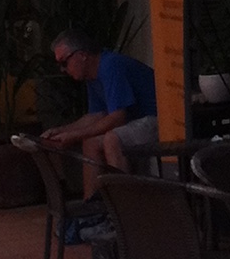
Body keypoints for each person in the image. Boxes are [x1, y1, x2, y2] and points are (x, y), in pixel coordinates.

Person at [43, 29, 159, 173]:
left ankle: (122, 187)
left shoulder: (110, 66)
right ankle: (95, 189)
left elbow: (118, 118)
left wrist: (74, 135)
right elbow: (96, 115)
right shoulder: (92, 75)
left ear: (82, 55)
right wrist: (61, 131)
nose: (62, 69)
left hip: (158, 119)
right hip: (137, 121)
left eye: (64, 63)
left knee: (112, 139)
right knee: (90, 143)